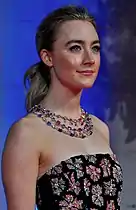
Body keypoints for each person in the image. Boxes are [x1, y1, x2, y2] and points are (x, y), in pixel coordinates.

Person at [2, 5, 123, 210]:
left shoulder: (100, 128)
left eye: (95, 48)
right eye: (75, 47)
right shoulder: (27, 133)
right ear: (48, 57)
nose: (89, 59)